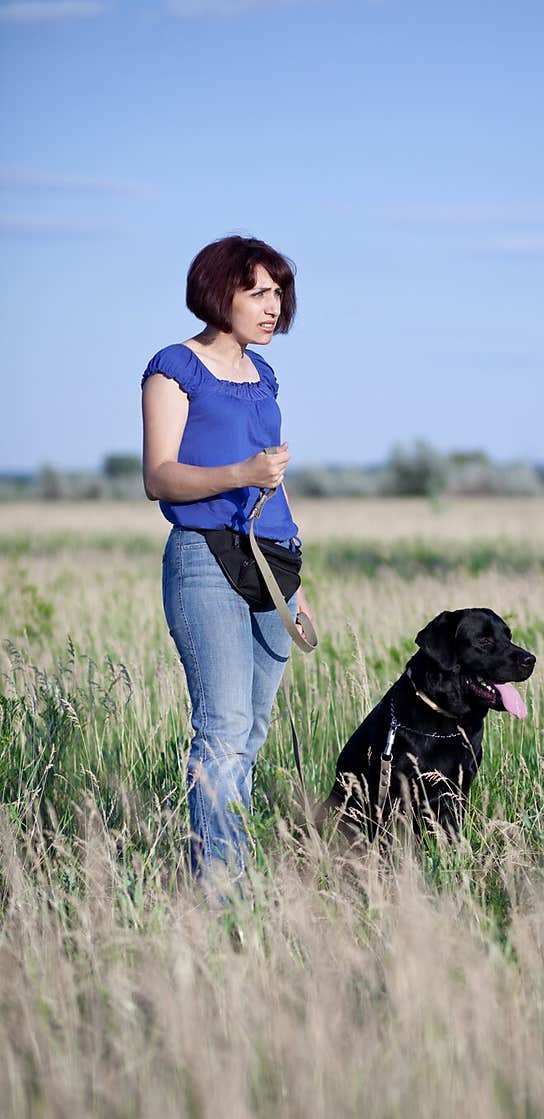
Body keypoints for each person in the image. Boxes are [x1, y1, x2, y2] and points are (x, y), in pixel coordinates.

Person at [141, 234, 315, 887]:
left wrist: (296, 580)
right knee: (223, 726)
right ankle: (217, 892)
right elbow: (159, 477)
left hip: (274, 562)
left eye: (279, 294)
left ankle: (228, 872)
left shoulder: (264, 375)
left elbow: (274, 480)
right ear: (221, 293)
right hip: (204, 555)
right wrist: (239, 471)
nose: (273, 307)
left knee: (255, 729)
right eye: (258, 293)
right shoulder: (174, 367)